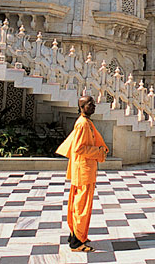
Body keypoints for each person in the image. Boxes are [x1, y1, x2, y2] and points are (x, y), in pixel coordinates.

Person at [56, 95, 109, 252]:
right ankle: (77, 242)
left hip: (84, 169)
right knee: (82, 206)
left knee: (77, 203)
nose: (93, 106)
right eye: (89, 104)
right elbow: (79, 148)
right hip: (83, 170)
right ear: (81, 106)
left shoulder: (85, 122)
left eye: (93, 103)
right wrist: (99, 151)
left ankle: (76, 235)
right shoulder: (83, 124)